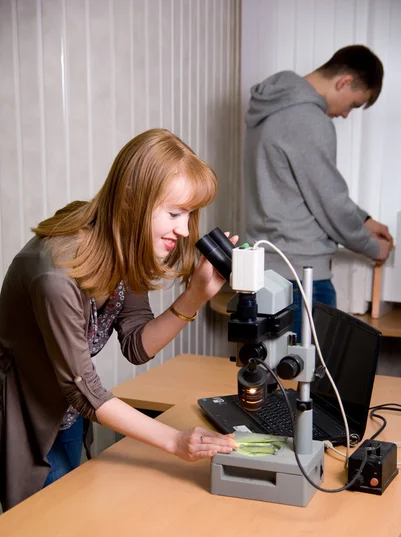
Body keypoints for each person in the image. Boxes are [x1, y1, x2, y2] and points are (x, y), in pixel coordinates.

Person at [0, 128, 238, 511]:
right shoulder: (56, 276)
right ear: (130, 201)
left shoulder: (122, 242)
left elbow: (136, 344)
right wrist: (175, 442)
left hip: (67, 409)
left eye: (190, 214)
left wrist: (195, 295)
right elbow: (86, 391)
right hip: (27, 415)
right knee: (48, 528)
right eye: (175, 212)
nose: (183, 228)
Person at [244, 45, 393, 338]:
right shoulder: (309, 119)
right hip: (301, 277)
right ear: (344, 81)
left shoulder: (270, 107)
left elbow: (298, 185)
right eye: (354, 103)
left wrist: (365, 220)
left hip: (265, 270)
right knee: (310, 379)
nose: (347, 115)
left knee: (270, 376)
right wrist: (374, 247)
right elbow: (330, 204)